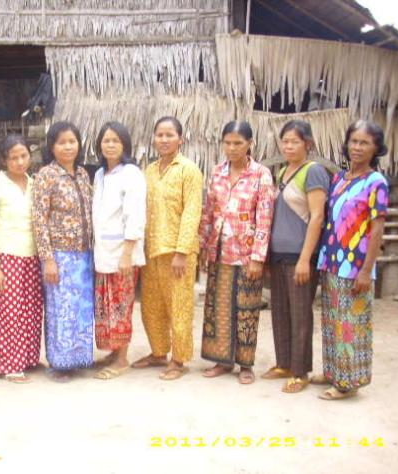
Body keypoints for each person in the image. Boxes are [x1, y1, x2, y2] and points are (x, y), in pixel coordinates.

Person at [315, 120, 388, 401]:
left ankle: (348, 381)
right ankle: (333, 371)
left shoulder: (376, 182)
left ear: (376, 148)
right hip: (332, 261)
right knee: (331, 320)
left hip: (355, 266)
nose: (357, 147)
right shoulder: (339, 178)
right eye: (354, 141)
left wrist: (366, 270)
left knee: (351, 323)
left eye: (364, 143)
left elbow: (377, 229)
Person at [200, 121, 275, 384]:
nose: (232, 148)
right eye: (228, 143)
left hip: (246, 254)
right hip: (219, 251)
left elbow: (264, 218)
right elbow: (208, 212)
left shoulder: (261, 174)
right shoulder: (217, 172)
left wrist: (258, 258)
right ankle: (222, 360)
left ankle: (245, 364)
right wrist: (203, 246)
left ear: (249, 144)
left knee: (246, 309)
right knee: (219, 307)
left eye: (238, 143)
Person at [132, 116, 203, 381]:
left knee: (179, 307)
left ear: (180, 139)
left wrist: (182, 251)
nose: (163, 140)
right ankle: (159, 352)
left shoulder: (189, 170)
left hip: (177, 252)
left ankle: (178, 359)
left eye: (169, 135)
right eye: (159, 135)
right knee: (151, 307)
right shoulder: (149, 171)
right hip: (151, 249)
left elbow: (192, 212)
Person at [262, 120, 330, 393]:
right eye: (285, 141)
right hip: (279, 254)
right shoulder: (283, 172)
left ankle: (300, 372)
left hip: (300, 255)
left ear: (308, 144)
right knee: (280, 312)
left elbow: (317, 217)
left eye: (295, 141)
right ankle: (284, 363)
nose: (288, 146)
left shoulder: (313, 171)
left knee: (300, 314)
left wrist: (305, 258)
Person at [32, 121, 94, 382]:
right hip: (60, 256)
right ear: (52, 146)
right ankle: (59, 363)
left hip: (84, 255)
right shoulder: (46, 175)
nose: (68, 147)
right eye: (61, 142)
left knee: (82, 308)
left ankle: (79, 358)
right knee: (62, 309)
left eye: (72, 141)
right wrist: (48, 259)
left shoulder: (83, 174)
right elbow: (39, 219)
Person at [0, 135, 43, 383]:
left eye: (23, 156)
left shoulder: (34, 183)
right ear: (4, 160)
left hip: (32, 257)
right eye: (13, 158)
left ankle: (28, 359)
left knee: (30, 311)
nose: (19, 162)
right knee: (9, 312)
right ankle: (10, 365)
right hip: (7, 257)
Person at [92, 122, 146, 379]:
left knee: (121, 306)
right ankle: (114, 351)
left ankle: (122, 359)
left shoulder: (131, 174)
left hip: (123, 251)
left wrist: (126, 254)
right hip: (103, 251)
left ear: (125, 144)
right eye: (106, 140)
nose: (110, 145)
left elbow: (135, 215)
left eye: (116, 140)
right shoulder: (99, 174)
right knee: (107, 305)